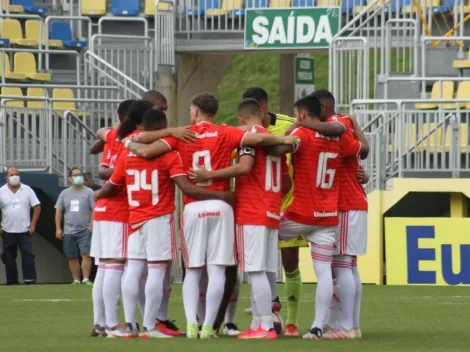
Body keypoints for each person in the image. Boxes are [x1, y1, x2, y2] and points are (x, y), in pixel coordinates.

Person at [125, 92, 299, 339]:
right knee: (219, 268)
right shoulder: (226, 132)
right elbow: (258, 138)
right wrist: (289, 140)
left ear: (195, 111)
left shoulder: (183, 134)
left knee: (194, 269)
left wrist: (164, 133)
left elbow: (144, 146)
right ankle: (209, 327)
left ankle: (192, 325)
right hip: (223, 205)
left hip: (195, 206)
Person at [97, 109, 236, 338]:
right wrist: (221, 196)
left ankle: (130, 324)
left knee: (132, 270)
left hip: (134, 219)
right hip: (159, 217)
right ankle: (150, 327)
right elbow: (186, 187)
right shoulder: (168, 155)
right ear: (163, 127)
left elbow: (112, 184)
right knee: (156, 272)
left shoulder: (126, 154)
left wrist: (96, 196)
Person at [189, 98, 291, 340]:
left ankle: (265, 327)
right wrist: (272, 199)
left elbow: (244, 167)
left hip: (252, 211)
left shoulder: (251, 139)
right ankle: (259, 321)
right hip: (271, 210)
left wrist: (210, 174)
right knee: (265, 270)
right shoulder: (273, 141)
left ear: (242, 119)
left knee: (255, 271)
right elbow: (286, 182)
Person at [269, 95, 362, 340]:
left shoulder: (302, 134)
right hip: (328, 215)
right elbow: (354, 147)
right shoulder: (338, 135)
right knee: (324, 272)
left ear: (301, 114)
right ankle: (317, 327)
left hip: (301, 212)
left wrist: (277, 137)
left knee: (262, 231)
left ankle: (268, 306)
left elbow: (280, 148)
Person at [311, 90, 369, 339]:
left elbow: (360, 149)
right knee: (349, 267)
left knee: (343, 266)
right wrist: (355, 124)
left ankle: (346, 326)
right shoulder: (343, 123)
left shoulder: (336, 126)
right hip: (352, 201)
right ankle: (351, 325)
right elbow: (362, 150)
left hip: (345, 203)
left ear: (323, 108)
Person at [0, 167, 40, 285]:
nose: (15, 177)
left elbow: (37, 207)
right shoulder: (1, 191)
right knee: (9, 259)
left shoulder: (27, 190)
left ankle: (30, 280)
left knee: (28, 256)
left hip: (25, 231)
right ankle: (12, 281)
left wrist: (33, 225)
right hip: (7, 231)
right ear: (6, 177)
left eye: (17, 174)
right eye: (12, 175)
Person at [55, 167, 95, 285]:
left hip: (85, 229)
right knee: (72, 256)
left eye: (79, 175)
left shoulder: (89, 192)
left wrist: (92, 224)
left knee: (86, 255)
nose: (78, 177)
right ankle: (76, 279)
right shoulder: (64, 193)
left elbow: (95, 209)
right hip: (69, 230)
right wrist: (58, 228)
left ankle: (86, 278)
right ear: (70, 178)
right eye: (75, 175)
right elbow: (58, 211)